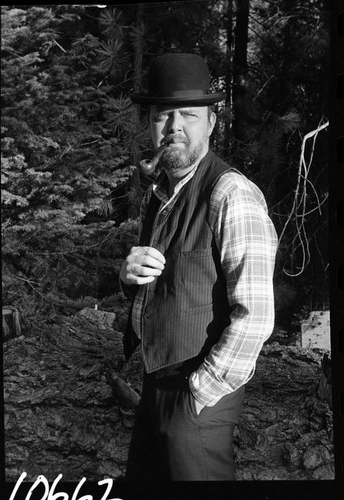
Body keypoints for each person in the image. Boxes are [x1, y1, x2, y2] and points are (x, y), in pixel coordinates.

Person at [119, 53, 278, 481]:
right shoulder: (159, 193)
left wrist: (197, 395)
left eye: (188, 114)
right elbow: (166, 287)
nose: (175, 128)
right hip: (156, 387)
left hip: (197, 399)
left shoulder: (231, 195)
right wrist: (128, 277)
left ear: (211, 121)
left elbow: (256, 317)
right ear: (150, 123)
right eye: (163, 115)